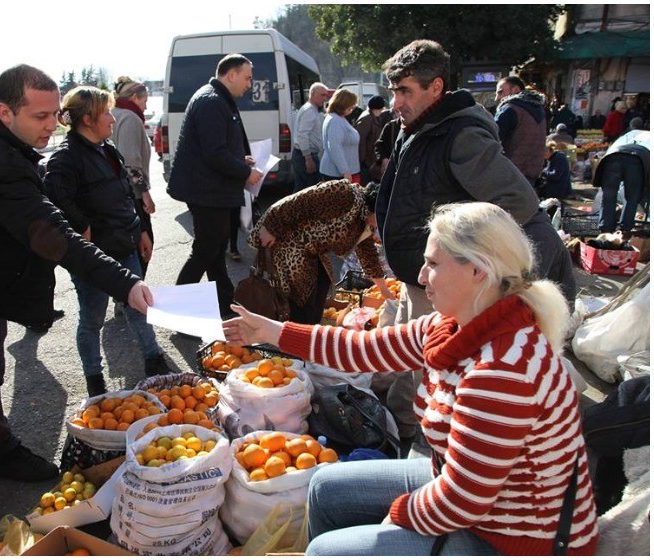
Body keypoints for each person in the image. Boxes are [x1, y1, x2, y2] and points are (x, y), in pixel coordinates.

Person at [223, 201, 599, 556]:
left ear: (478, 270)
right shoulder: (454, 324)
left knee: (325, 552)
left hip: (513, 539)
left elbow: (460, 501)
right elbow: (364, 348)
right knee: (322, 487)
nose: (420, 276)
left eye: (433, 263)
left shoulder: (502, 372)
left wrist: (401, 514)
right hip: (463, 489)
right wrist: (271, 331)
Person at [0, 64, 154, 482]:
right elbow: (57, 237)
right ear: (5, 111)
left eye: (55, 114)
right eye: (40, 117)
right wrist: (126, 283)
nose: (53, 126)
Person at [374, 39, 575, 441]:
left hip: (438, 280)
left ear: (436, 88)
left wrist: (469, 259)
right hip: (416, 273)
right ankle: (388, 416)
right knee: (400, 349)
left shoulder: (460, 135)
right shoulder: (415, 127)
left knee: (425, 366)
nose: (396, 102)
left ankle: (405, 438)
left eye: (405, 91)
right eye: (394, 91)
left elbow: (517, 203)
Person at [43, 85, 169, 396]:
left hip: (125, 244)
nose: (113, 119)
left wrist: (140, 230)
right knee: (92, 318)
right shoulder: (66, 158)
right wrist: (81, 227)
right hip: (94, 257)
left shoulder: (108, 149)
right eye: (107, 113)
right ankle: (94, 380)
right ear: (87, 119)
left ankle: (154, 361)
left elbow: (126, 194)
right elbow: (56, 197)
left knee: (140, 306)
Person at [167, 53, 263, 317]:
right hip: (207, 191)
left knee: (214, 250)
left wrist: (239, 158)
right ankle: (178, 313)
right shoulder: (212, 101)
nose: (249, 84)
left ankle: (225, 304)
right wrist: (245, 171)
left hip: (210, 189)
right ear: (230, 75)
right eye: (247, 78)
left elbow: (215, 147)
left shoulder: (216, 98)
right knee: (205, 251)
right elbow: (213, 153)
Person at [250, 180, 394, 324]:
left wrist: (383, 290)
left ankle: (309, 337)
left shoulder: (365, 221)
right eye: (382, 218)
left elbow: (368, 255)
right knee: (302, 301)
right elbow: (298, 201)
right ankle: (296, 338)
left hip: (313, 251)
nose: (381, 224)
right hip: (289, 243)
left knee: (321, 288)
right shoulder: (345, 193)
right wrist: (271, 225)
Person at [112, 76, 156, 278]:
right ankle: (131, 297)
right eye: (145, 101)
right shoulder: (130, 118)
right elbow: (131, 162)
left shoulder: (114, 113)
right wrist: (145, 194)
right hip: (132, 195)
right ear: (134, 96)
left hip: (117, 193)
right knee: (144, 245)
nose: (146, 107)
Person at [494, 75, 547, 187]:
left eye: (500, 92)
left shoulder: (510, 109)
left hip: (511, 174)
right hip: (532, 173)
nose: (497, 98)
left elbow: (492, 137)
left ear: (516, 90)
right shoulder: (539, 110)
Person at [594, 141, 649, 237]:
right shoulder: (646, 154)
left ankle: (605, 228)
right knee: (632, 198)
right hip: (635, 162)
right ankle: (625, 230)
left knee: (608, 196)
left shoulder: (623, 146)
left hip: (612, 157)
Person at [292, 82, 329, 191]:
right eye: (322, 95)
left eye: (326, 95)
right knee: (312, 191)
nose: (325, 98)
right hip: (305, 156)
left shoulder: (312, 109)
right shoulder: (309, 110)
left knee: (301, 191)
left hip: (305, 155)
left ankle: (294, 208)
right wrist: (308, 159)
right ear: (313, 94)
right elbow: (303, 135)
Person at [320, 88, 361, 183]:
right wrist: (345, 171)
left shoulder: (337, 118)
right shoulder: (335, 120)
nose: (353, 106)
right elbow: (335, 147)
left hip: (342, 171)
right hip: (338, 174)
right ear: (343, 104)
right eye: (351, 104)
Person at [355, 95, 389, 186]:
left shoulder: (374, 117)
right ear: (377, 108)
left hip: (371, 161)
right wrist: (365, 161)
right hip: (366, 163)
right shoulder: (367, 119)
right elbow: (360, 141)